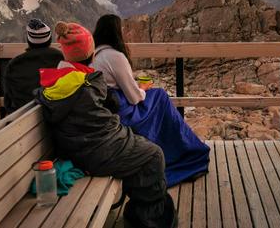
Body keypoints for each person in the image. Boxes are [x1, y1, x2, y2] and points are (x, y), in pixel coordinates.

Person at [35, 21, 177, 228]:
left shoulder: (56, 81)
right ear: (92, 55)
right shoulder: (87, 82)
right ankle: (151, 220)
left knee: (142, 148)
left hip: (75, 148)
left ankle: (141, 212)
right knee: (154, 155)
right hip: (95, 152)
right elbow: (101, 120)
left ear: (65, 55)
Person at [92, 14, 210, 188]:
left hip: (106, 108)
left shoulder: (94, 54)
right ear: (116, 33)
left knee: (157, 97)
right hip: (122, 111)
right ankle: (183, 152)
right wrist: (143, 88)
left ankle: (175, 147)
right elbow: (134, 98)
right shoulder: (115, 56)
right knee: (160, 96)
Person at [3, 18, 63, 114]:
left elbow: (8, 101)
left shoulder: (14, 64)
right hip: (56, 114)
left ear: (29, 40)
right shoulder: (61, 58)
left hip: (23, 117)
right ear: (49, 39)